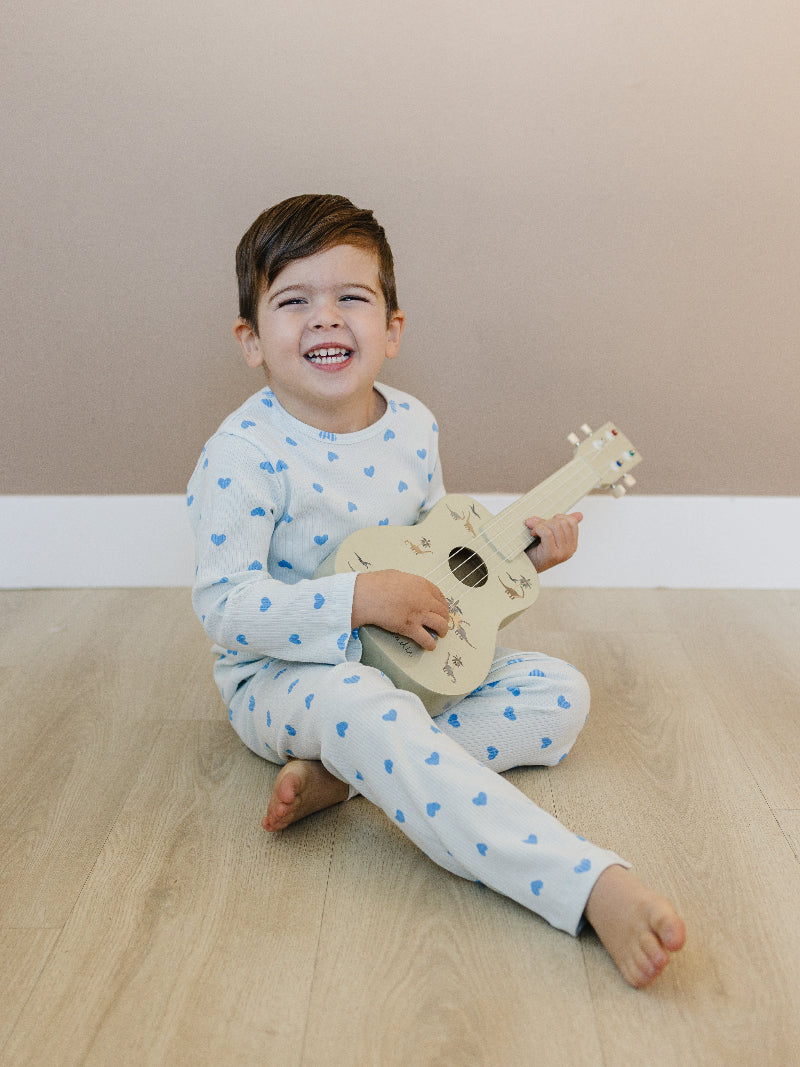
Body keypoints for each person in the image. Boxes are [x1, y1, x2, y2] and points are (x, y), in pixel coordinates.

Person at [187, 193, 685, 988]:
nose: (325, 319)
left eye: (352, 297)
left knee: (561, 694)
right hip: (286, 677)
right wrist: (359, 599)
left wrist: (520, 560)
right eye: (294, 301)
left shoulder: (414, 425)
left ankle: (346, 776)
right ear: (251, 340)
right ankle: (588, 886)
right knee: (362, 708)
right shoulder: (242, 455)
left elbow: (439, 552)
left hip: (407, 664)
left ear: (392, 329)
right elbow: (225, 610)